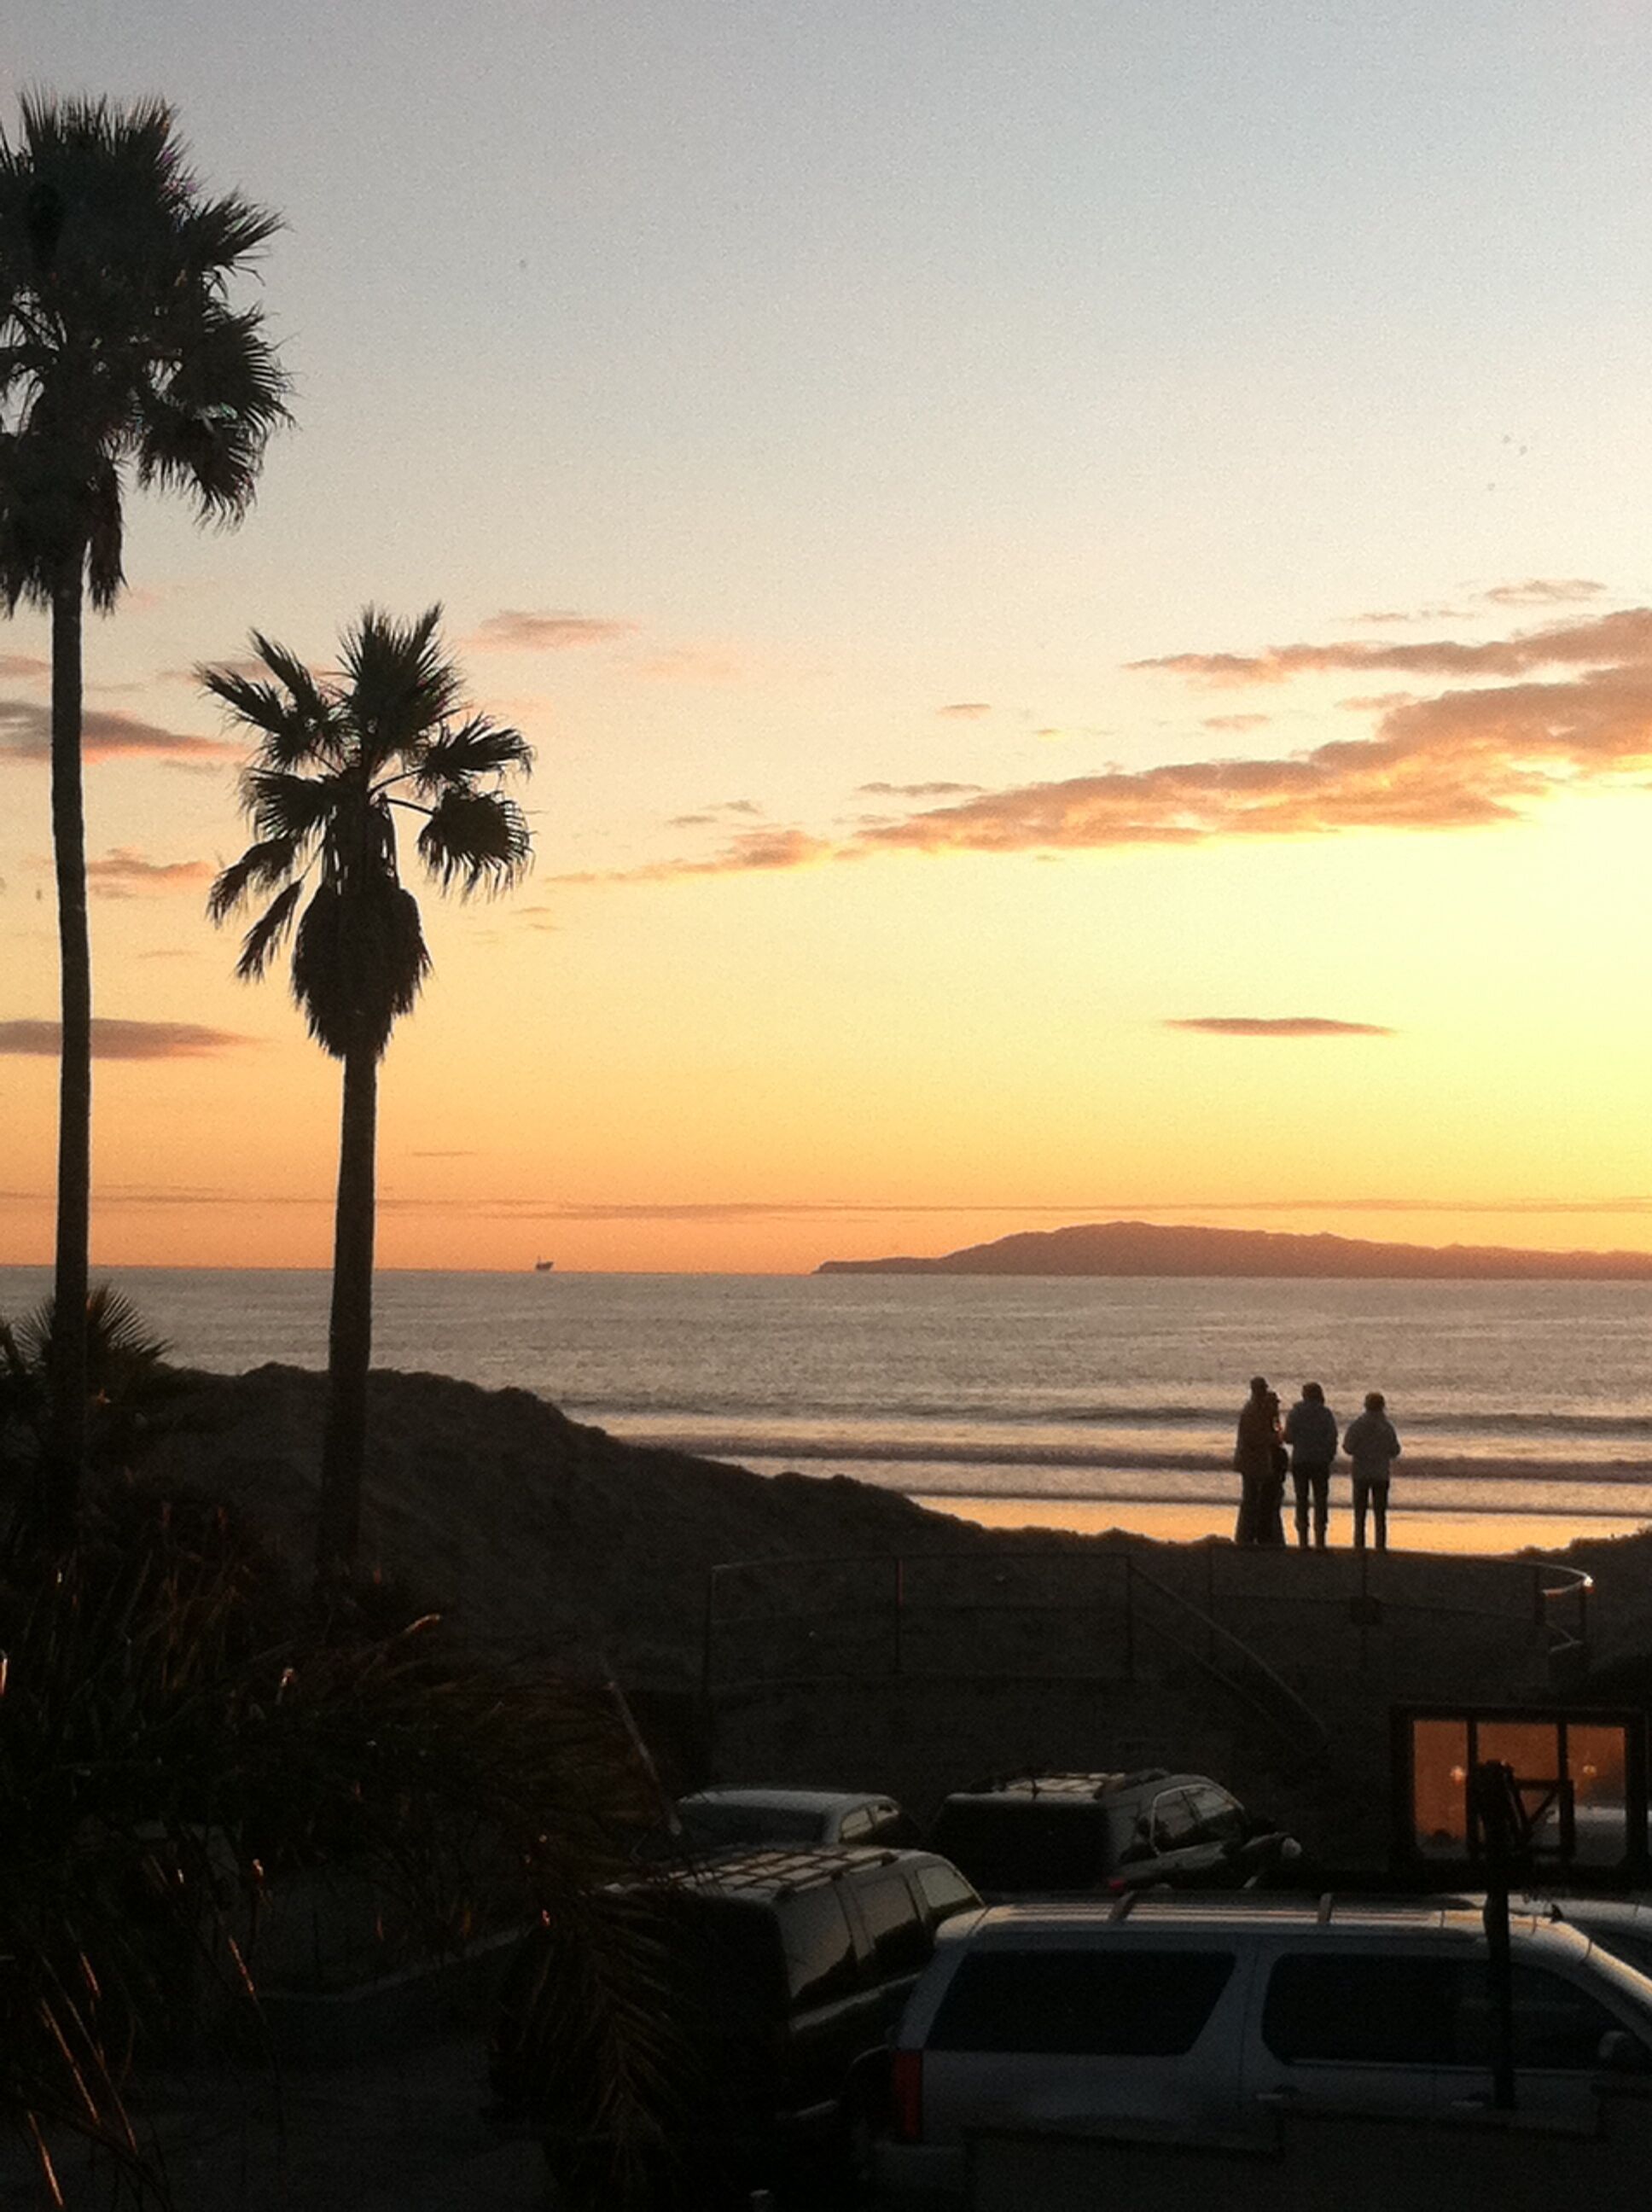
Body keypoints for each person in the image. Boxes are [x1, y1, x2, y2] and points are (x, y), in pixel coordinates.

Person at [1342, 1389, 1401, 1551]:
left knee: (1359, 1513)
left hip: (1361, 1471)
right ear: (1382, 1406)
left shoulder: (1358, 1425)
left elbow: (1348, 1447)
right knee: (1380, 1513)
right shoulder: (1387, 1427)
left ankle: (1359, 1544)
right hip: (1381, 1473)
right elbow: (1395, 1450)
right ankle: (1380, 1545)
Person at [1283, 1382, 1339, 1550]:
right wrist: (1330, 1455)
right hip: (1320, 1461)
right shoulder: (1325, 1413)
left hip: (1301, 1459)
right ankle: (1320, 1537)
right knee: (1321, 1499)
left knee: (1301, 1498)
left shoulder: (1296, 1412)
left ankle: (1303, 1537)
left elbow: (1289, 1438)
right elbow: (1332, 1437)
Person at [1233, 1377, 1283, 1545]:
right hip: (1252, 1460)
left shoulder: (1257, 1409)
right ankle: (1246, 1536)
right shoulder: (1253, 1410)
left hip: (1255, 1460)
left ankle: (1249, 1535)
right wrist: (1273, 1438)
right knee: (1251, 1498)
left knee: (1254, 1497)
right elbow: (1255, 1437)